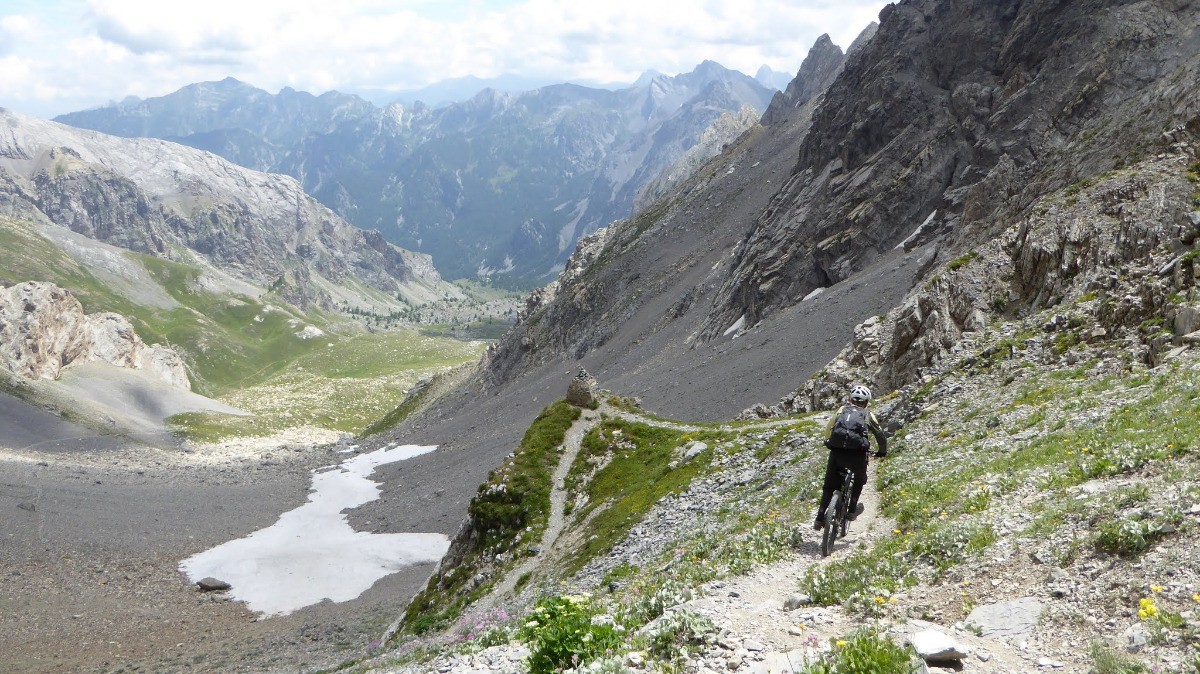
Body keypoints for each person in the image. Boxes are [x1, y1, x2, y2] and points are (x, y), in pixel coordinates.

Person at [814, 384, 887, 530]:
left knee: (829, 487)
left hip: (837, 453)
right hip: (857, 456)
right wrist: (882, 451)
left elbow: (829, 428)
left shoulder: (841, 410)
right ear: (866, 402)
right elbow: (880, 435)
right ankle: (852, 510)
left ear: (850, 399)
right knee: (859, 480)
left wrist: (828, 442)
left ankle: (820, 517)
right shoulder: (868, 415)